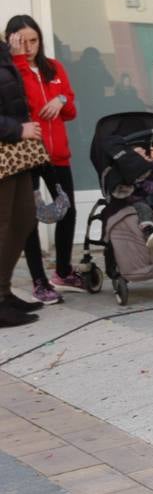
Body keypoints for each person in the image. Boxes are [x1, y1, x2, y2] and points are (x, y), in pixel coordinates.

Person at [8, 17, 78, 304]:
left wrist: (60, 99)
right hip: (30, 155)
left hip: (57, 153)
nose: (28, 47)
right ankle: (39, 280)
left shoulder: (54, 68)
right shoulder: (12, 71)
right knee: (29, 219)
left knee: (68, 211)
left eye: (33, 40)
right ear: (11, 40)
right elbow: (24, 102)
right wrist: (19, 62)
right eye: (21, 41)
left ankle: (62, 271)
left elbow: (71, 110)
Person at [1, 31, 42, 328]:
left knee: (24, 219)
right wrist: (18, 130)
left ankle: (4, 292)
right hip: (8, 144)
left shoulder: (4, 50)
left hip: (15, 152)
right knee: (2, 226)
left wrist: (14, 58)